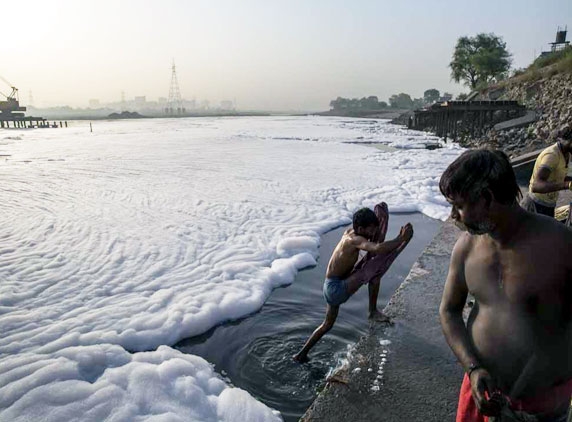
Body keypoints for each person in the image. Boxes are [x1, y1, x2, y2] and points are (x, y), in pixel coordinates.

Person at [439, 149, 572, 421]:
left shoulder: (559, 245)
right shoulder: (465, 249)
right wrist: (473, 368)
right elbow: (449, 311)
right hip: (482, 394)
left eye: (459, 206)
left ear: (486, 199)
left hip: (540, 405)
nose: (453, 215)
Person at [293, 202, 413, 363]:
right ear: (361, 229)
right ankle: (372, 312)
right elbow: (376, 248)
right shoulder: (354, 239)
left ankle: (301, 354)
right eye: (371, 229)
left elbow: (372, 241)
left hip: (330, 285)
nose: (374, 232)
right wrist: (401, 239)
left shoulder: (349, 232)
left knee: (327, 325)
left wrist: (380, 224)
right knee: (374, 267)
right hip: (336, 289)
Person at [521, 124, 572, 218]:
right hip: (535, 206)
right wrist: (567, 185)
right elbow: (536, 186)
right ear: (570, 143)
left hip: (548, 205)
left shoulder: (567, 154)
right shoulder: (552, 155)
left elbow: (559, 176)